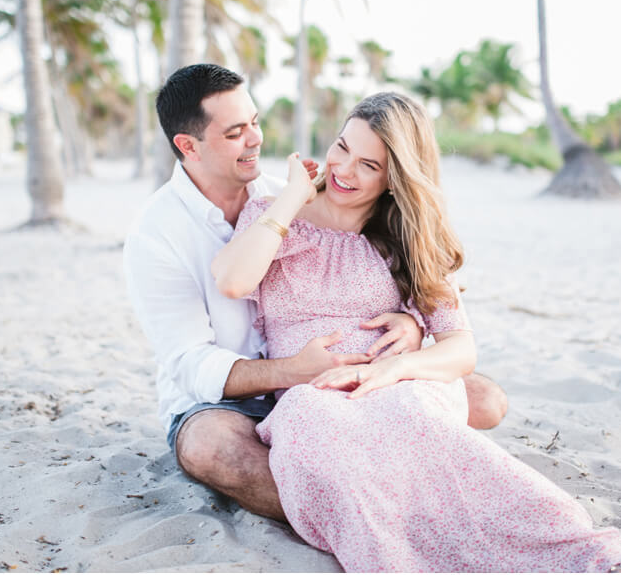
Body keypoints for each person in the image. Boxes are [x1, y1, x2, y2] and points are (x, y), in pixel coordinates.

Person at [211, 91, 621, 572]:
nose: (344, 171)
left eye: (369, 165)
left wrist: (399, 366)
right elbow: (234, 280)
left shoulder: (410, 237)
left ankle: (584, 556)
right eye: (341, 148)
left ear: (396, 178)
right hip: (310, 393)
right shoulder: (273, 217)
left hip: (401, 385)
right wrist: (295, 196)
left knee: (434, 435)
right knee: (322, 438)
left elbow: (461, 349)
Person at [123, 64, 509, 523]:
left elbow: (421, 290)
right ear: (188, 146)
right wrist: (295, 371)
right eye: (234, 133)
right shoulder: (159, 232)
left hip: (350, 376)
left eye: (255, 122)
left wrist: (413, 321)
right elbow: (191, 362)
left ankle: (404, 486)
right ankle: (364, 516)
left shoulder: (287, 191)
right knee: (214, 449)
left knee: (483, 398)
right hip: (226, 397)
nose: (255, 140)